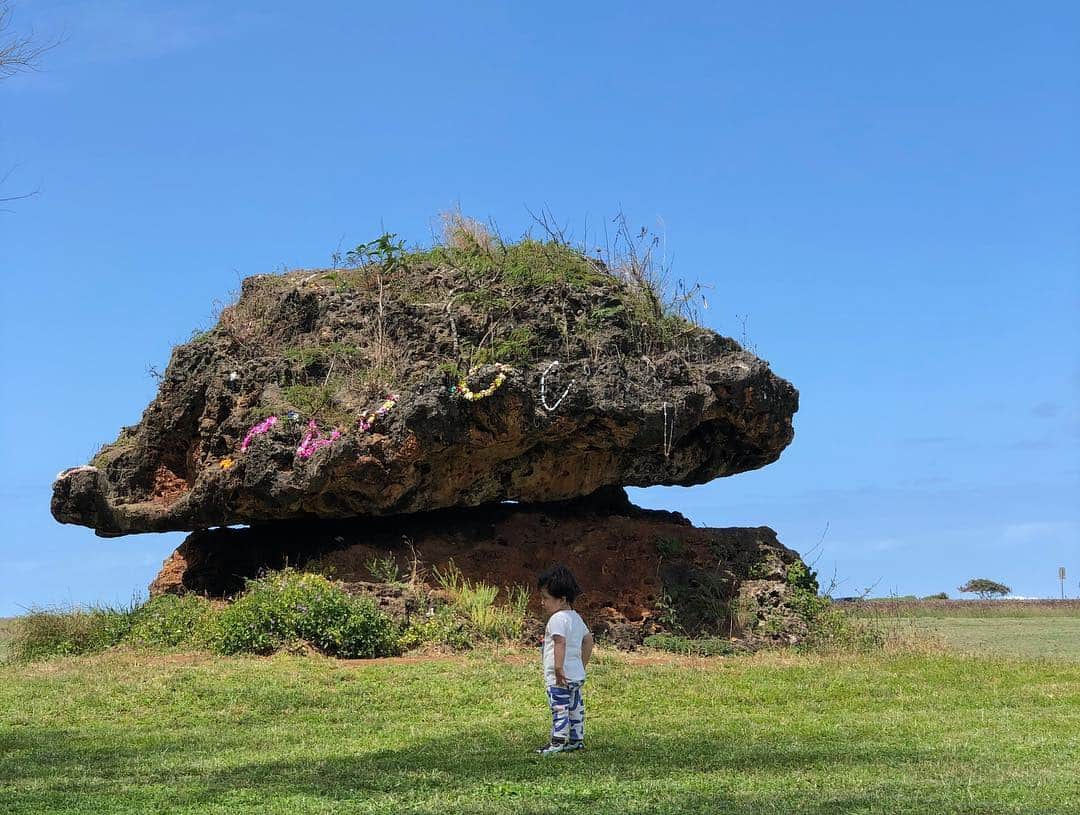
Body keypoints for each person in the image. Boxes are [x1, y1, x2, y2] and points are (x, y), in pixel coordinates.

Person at [535, 564, 593, 755]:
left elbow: (559, 643)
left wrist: (558, 669)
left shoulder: (557, 619)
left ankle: (557, 741)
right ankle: (577, 739)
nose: (542, 602)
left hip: (559, 677)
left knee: (560, 708)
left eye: (545, 598)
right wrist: (581, 665)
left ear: (561, 600)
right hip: (576, 674)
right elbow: (588, 640)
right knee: (575, 707)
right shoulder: (576, 618)